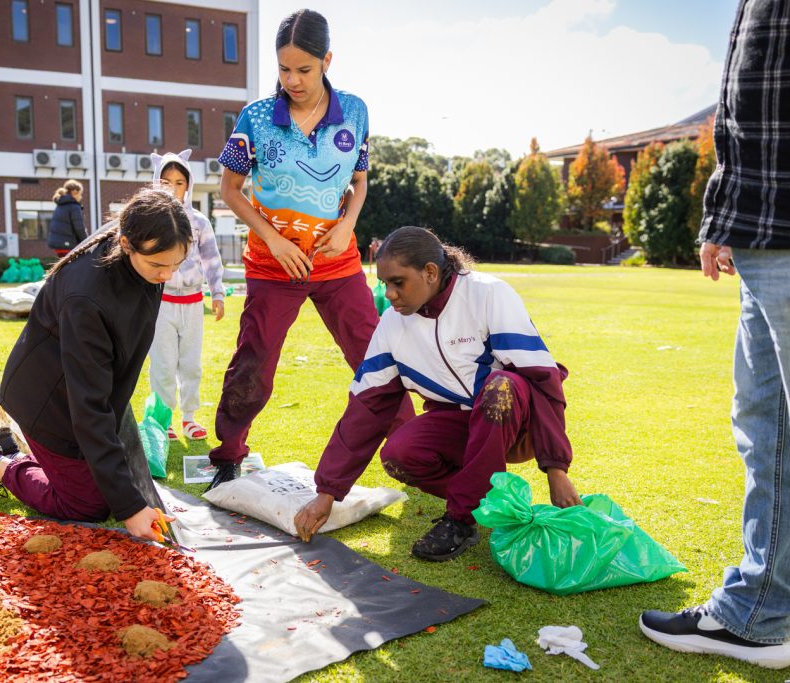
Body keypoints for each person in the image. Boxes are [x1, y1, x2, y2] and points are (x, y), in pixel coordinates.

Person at [639, 0, 790, 669]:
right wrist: (725, 209)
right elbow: (749, 91)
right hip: (764, 221)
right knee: (766, 424)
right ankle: (763, 609)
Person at [208, 8, 412, 489]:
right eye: (283, 69)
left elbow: (359, 182)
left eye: (304, 69)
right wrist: (274, 239)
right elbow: (230, 190)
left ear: (327, 61)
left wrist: (347, 225)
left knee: (374, 357)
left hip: (337, 264)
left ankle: (413, 451)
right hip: (271, 264)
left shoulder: (355, 111)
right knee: (252, 364)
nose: (292, 80)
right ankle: (228, 456)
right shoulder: (256, 117)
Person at [293, 227, 582, 561]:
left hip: (519, 424)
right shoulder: (391, 325)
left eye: (397, 282)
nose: (389, 294)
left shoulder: (488, 294)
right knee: (399, 455)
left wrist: (556, 470)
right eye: (385, 283)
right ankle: (486, 503)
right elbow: (366, 408)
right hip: (461, 423)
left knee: (499, 387)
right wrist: (327, 493)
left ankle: (460, 519)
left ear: (430, 272)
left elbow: (541, 379)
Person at [0, 189, 190, 538]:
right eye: (157, 265)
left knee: (113, 490)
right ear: (125, 243)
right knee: (88, 505)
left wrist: (129, 498)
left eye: (176, 264)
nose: (167, 275)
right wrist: (130, 507)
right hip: (47, 400)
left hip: (90, 388)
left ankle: (21, 459)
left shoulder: (141, 247)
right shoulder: (87, 297)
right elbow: (88, 408)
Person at [147, 150, 225, 442]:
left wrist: (217, 292)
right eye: (166, 182)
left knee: (191, 364)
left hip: (192, 303)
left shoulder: (199, 222)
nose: (173, 188)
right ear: (156, 183)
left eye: (179, 182)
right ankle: (162, 420)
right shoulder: (150, 221)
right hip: (161, 304)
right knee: (163, 364)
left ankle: (189, 418)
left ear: (188, 185)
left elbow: (212, 259)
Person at [47, 179, 87, 257]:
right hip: (68, 245)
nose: (81, 197)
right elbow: (79, 228)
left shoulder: (61, 204)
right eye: (80, 194)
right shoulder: (74, 206)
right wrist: (87, 242)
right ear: (74, 192)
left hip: (59, 244)